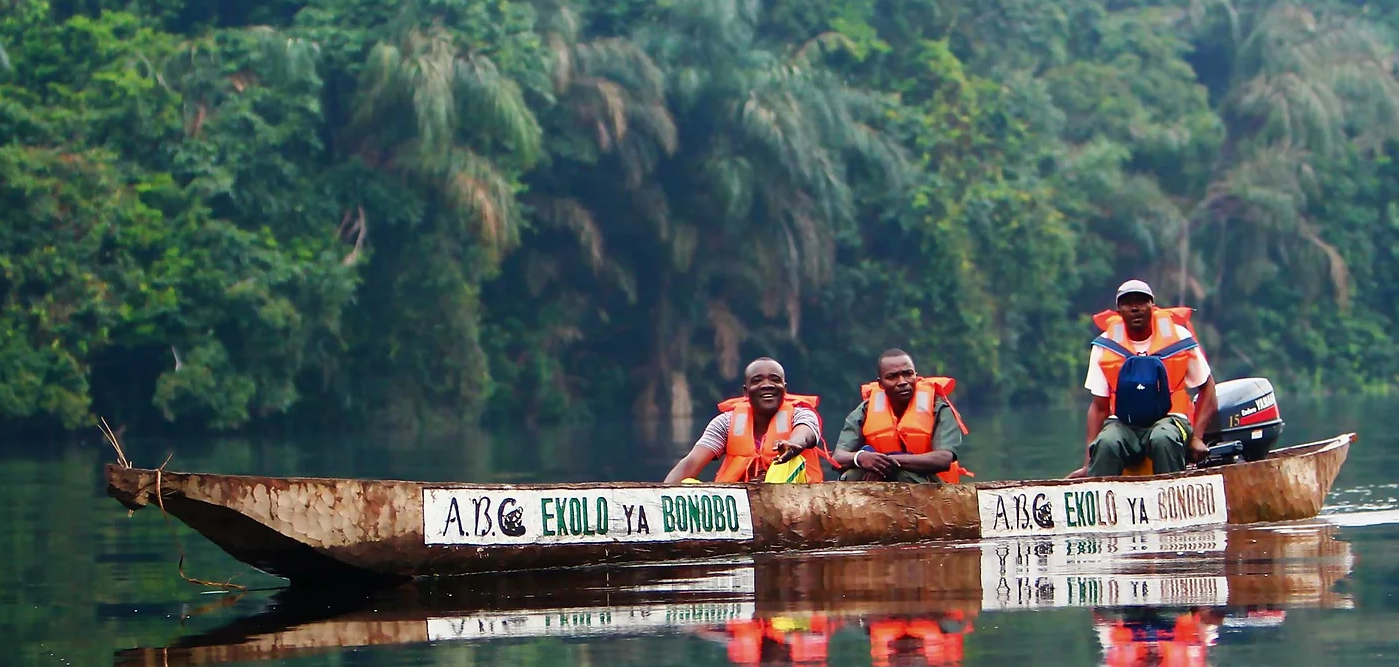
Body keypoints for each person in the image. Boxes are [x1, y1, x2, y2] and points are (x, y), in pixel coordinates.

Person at [1071, 280, 1218, 478]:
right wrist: (1088, 463)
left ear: (1152, 305)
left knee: (1163, 438)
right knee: (1107, 442)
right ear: (1119, 311)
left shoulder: (1179, 338)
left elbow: (1208, 389)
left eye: (1141, 302)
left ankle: (1172, 500)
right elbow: (1099, 407)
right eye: (1127, 303)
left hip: (1171, 420)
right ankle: (1102, 502)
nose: (1135, 308)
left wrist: (1197, 438)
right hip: (1124, 423)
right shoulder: (1105, 345)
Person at [663, 357, 828, 483]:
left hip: (793, 500)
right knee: (686, 484)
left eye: (775, 380)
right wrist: (658, 497)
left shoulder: (801, 413)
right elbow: (691, 462)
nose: (767, 385)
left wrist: (793, 444)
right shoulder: (725, 423)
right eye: (757, 381)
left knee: (792, 459)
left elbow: (806, 432)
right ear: (746, 392)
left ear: (784, 389)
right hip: (741, 503)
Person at [831, 349, 970, 483]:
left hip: (932, 487)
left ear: (916, 375)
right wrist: (861, 457)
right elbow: (838, 457)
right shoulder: (864, 410)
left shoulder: (939, 407)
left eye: (908, 374)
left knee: (902, 474)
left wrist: (886, 463)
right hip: (878, 483)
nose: (902, 382)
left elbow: (943, 459)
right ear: (881, 384)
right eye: (892, 377)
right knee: (853, 474)